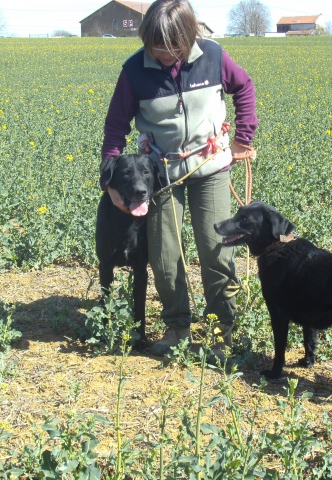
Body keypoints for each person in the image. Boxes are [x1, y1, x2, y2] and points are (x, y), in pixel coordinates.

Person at [100, 0, 258, 357]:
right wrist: (109, 180)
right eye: (155, 46)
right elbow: (115, 128)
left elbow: (244, 88)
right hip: (161, 175)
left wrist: (242, 139)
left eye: (171, 47)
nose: (163, 54)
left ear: (187, 38)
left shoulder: (214, 57)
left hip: (211, 168)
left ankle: (222, 331)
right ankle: (177, 328)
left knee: (216, 250)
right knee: (164, 254)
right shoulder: (134, 71)